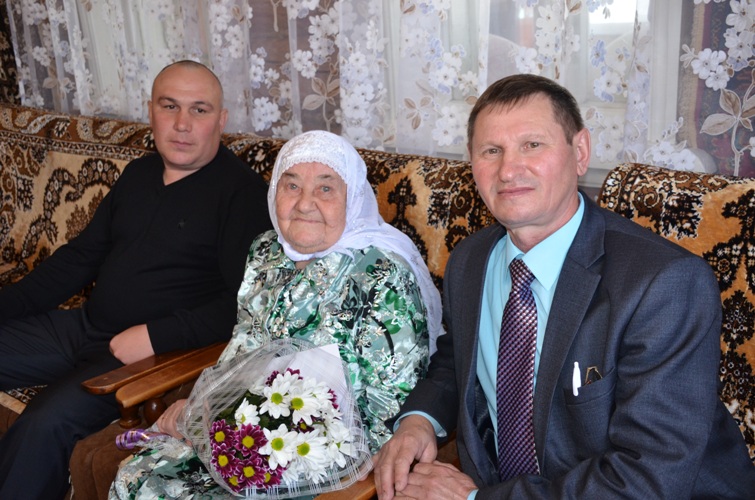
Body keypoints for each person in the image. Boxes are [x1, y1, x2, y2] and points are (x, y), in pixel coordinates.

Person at [372, 74, 755, 499]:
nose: (508, 170)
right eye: (491, 150)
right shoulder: (470, 259)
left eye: (532, 145)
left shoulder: (663, 285)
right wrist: (419, 421)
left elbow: (648, 478)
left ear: (580, 152)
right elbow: (458, 358)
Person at [109, 129, 443, 498]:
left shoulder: (382, 273)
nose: (305, 204)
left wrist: (316, 456)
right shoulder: (266, 251)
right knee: (136, 480)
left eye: (326, 188)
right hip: (242, 433)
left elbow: (393, 402)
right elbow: (244, 346)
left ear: (353, 199)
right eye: (292, 185)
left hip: (324, 460)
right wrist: (204, 409)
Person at [0, 60, 272, 498]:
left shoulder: (242, 195)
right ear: (151, 112)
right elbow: (79, 259)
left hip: (150, 358)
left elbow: (244, 302)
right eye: (170, 106)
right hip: (83, 327)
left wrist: (155, 336)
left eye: (199, 110)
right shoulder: (140, 173)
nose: (182, 124)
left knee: (44, 424)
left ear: (221, 120)